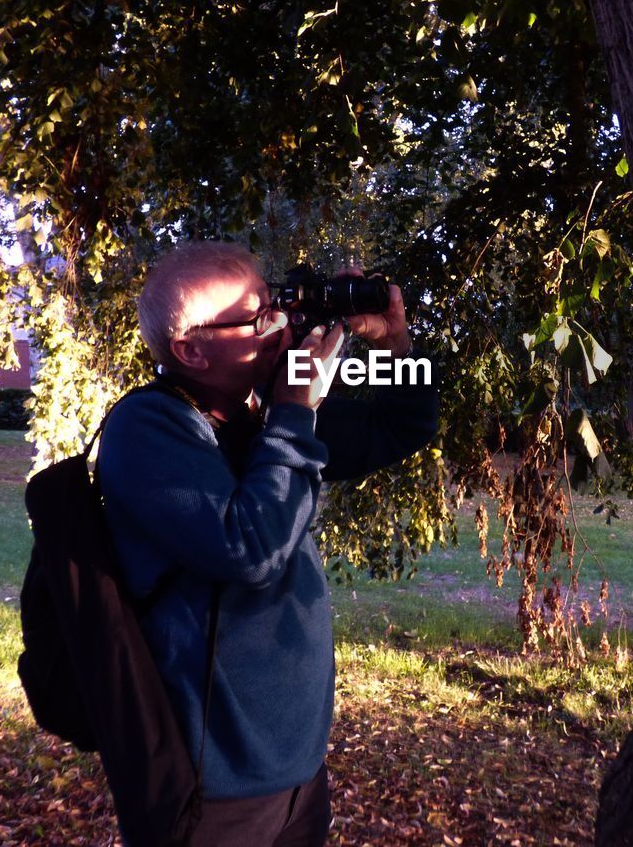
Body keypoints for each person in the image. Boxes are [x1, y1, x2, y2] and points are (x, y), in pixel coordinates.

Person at [98, 241, 438, 847]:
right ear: (190, 349)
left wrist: (393, 345)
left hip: (297, 771)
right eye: (257, 319)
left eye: (275, 304)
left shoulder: (261, 413)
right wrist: (295, 411)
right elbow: (251, 548)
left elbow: (402, 424)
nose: (279, 326)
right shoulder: (149, 426)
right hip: (214, 790)